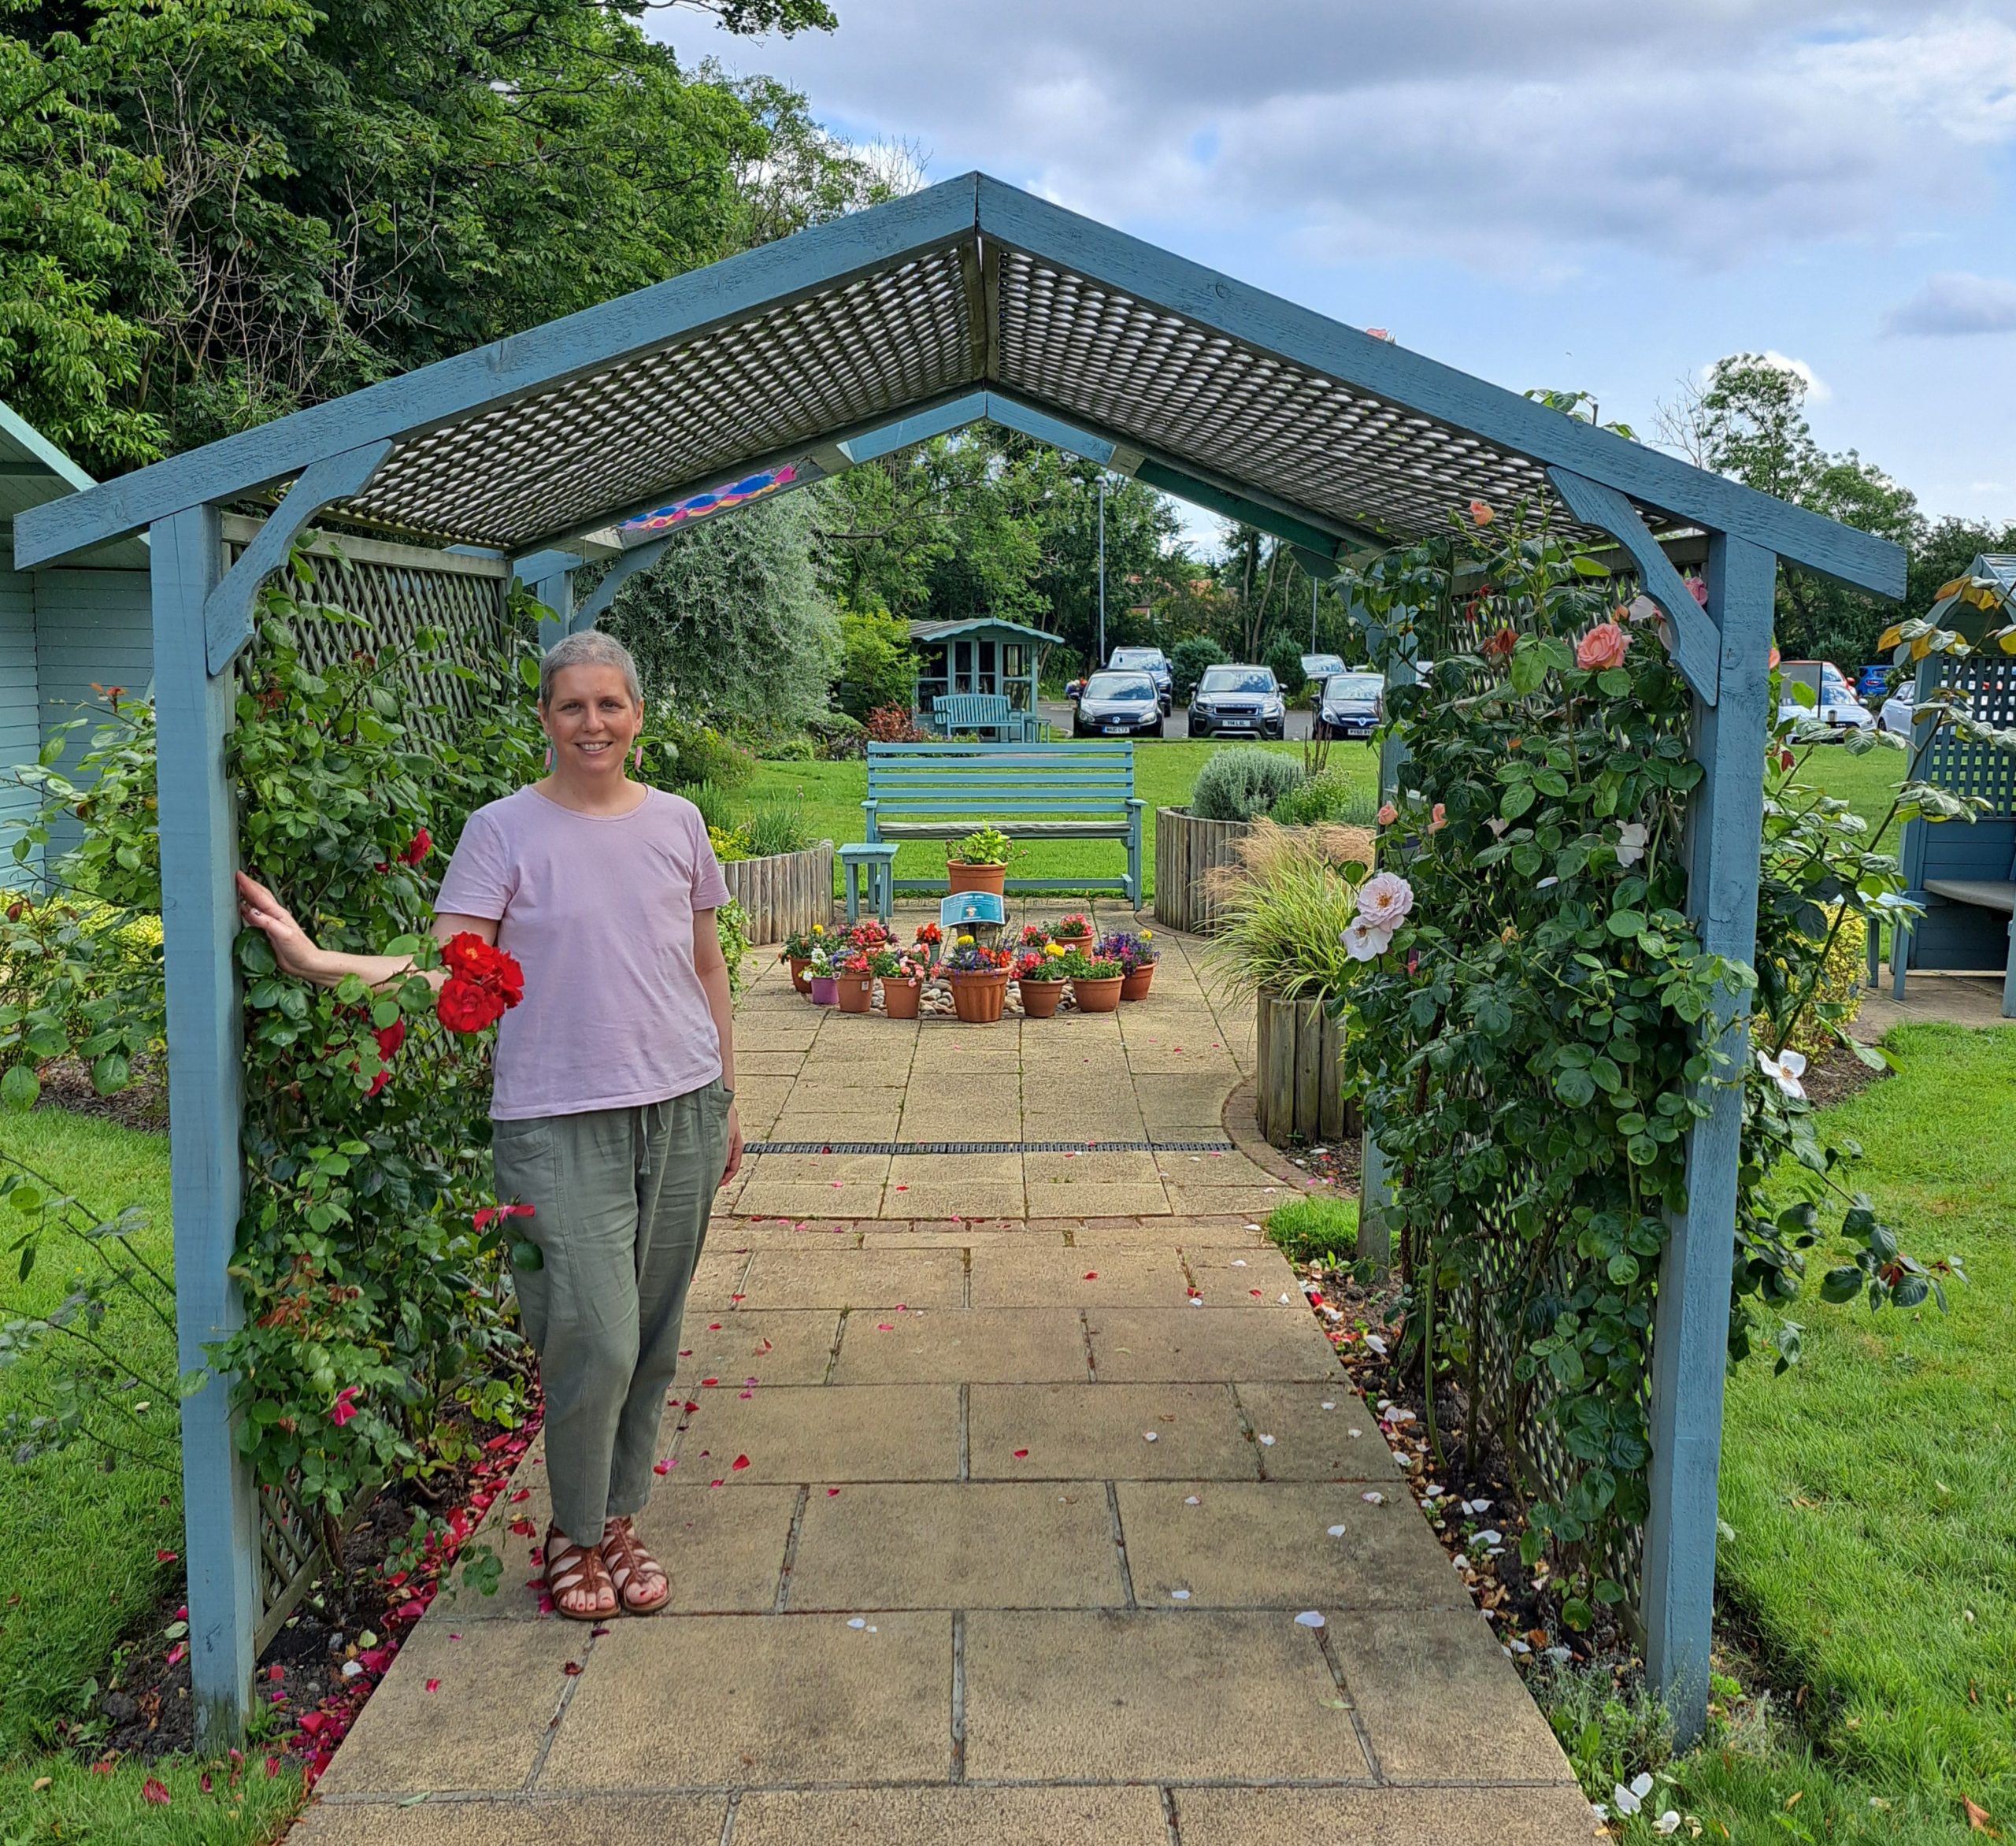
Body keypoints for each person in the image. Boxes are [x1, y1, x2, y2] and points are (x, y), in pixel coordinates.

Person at [234, 629, 742, 1622]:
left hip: (681, 1103)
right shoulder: (502, 830)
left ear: (637, 715)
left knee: (654, 1336)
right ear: (545, 718)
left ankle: (612, 1520)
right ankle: (577, 1525)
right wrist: (317, 961)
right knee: (592, 1333)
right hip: (555, 1119)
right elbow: (453, 972)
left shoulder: (679, 822)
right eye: (571, 706)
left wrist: (729, 1096)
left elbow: (708, 965)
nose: (592, 723)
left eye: (610, 704)